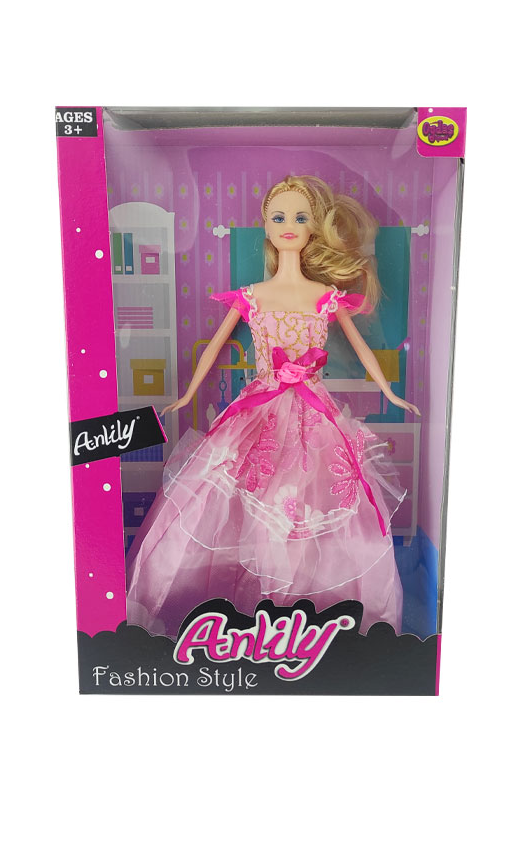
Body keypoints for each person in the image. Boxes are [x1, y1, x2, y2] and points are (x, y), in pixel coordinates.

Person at [125, 175, 420, 637]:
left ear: (313, 228)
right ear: (265, 225)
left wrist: (391, 392)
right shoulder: (253, 296)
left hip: (314, 416)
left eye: (300, 218)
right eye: (279, 217)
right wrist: (185, 395)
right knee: (231, 498)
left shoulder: (325, 298)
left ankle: (304, 618)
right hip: (257, 411)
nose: (289, 225)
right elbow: (213, 348)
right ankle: (243, 614)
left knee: (314, 504)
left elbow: (363, 350)